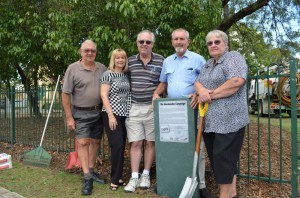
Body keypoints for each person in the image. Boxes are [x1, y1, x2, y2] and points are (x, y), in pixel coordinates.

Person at [152, 28, 212, 198]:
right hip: (171, 111)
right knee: (172, 146)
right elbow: (164, 83)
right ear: (172, 42)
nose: (178, 42)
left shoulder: (198, 59)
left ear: (188, 41)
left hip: (192, 109)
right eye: (176, 39)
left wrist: (198, 92)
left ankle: (200, 185)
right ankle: (170, 180)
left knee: (196, 147)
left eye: (182, 39)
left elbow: (205, 83)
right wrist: (156, 94)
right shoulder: (167, 62)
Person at [194, 30, 249, 198]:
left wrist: (207, 95)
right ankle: (231, 196)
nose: (213, 45)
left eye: (217, 42)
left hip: (229, 122)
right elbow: (197, 82)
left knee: (223, 161)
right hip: (209, 123)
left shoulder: (233, 58)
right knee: (220, 163)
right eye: (210, 43)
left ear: (225, 44)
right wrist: (201, 89)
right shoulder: (208, 65)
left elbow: (236, 81)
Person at [62, 39, 107, 196]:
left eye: (92, 50)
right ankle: (87, 177)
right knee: (82, 142)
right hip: (80, 112)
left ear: (95, 52)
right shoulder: (73, 69)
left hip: (98, 112)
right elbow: (66, 93)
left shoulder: (102, 68)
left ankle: (92, 170)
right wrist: (69, 117)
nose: (90, 53)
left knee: (95, 142)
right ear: (81, 52)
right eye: (86, 50)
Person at [124, 30, 164, 193]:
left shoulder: (161, 60)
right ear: (137, 43)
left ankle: (146, 174)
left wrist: (157, 92)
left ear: (152, 44)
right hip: (134, 107)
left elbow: (165, 80)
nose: (144, 44)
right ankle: (134, 176)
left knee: (151, 142)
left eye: (148, 42)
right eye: (141, 42)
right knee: (136, 142)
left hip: (152, 108)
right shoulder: (130, 61)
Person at [100, 48, 131, 191]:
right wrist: (111, 116)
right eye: (117, 58)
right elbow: (104, 95)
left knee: (121, 145)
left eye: (123, 58)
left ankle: (118, 177)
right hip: (111, 114)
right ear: (113, 59)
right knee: (117, 145)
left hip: (124, 114)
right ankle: (114, 179)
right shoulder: (107, 74)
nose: (120, 60)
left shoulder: (125, 75)